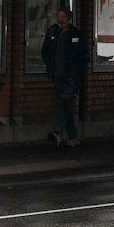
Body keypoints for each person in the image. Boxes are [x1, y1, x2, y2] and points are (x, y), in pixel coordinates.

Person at [42, 8, 89, 147]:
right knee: (65, 105)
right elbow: (45, 51)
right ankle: (73, 137)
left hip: (71, 77)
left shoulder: (76, 34)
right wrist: (50, 66)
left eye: (63, 17)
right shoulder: (52, 32)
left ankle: (57, 132)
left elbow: (84, 55)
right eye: (59, 16)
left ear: (68, 18)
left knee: (64, 102)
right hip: (57, 76)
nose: (60, 19)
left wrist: (75, 71)